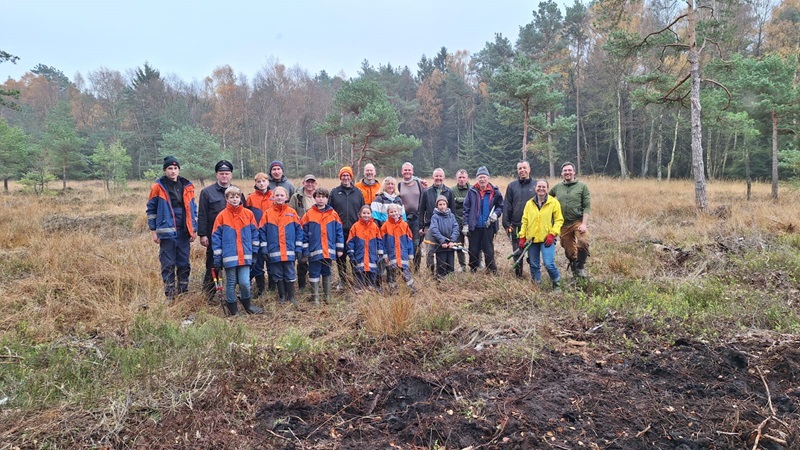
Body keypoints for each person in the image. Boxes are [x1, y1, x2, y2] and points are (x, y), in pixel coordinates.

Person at [146, 156, 197, 302]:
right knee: (168, 263)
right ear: (164, 170)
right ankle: (170, 294)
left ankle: (183, 291)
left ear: (179, 170)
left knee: (184, 262)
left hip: (184, 230)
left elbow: (193, 208)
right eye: (170, 168)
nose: (173, 171)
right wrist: (153, 231)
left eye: (175, 168)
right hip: (166, 230)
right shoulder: (158, 187)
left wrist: (193, 228)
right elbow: (151, 209)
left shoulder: (187, 186)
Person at [211, 186, 263, 315]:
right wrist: (217, 258)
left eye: (237, 197)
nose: (234, 199)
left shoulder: (248, 214)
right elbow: (216, 238)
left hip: (245, 255)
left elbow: (255, 234)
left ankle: (248, 305)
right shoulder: (221, 216)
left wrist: (254, 252)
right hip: (229, 257)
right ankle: (233, 310)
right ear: (226, 199)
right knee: (231, 283)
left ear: (240, 198)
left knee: (245, 282)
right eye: (231, 197)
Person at [259, 186, 304, 305]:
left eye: (281, 195)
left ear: (287, 197)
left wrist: (299, 248)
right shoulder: (267, 213)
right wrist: (264, 249)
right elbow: (262, 231)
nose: (279, 197)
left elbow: (299, 231)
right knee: (277, 273)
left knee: (290, 272)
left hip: (289, 251)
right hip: (274, 251)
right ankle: (282, 296)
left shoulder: (292, 213)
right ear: (272, 197)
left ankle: (291, 297)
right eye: (277, 195)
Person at [198, 160, 235, 302]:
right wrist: (202, 235)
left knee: (233, 266)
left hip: (232, 237)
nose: (224, 176)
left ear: (231, 175)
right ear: (217, 175)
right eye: (221, 174)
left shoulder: (236, 192)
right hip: (214, 237)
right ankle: (209, 295)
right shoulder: (207, 192)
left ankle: (232, 294)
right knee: (213, 266)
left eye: (227, 173)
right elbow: (202, 215)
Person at [301, 187, 344, 305]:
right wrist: (305, 250)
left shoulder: (333, 214)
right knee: (314, 272)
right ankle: (315, 297)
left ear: (327, 199)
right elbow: (303, 233)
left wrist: (339, 248)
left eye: (323, 197)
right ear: (314, 198)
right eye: (318, 197)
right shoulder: (308, 214)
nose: (321, 199)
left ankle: (328, 296)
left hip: (328, 251)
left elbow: (339, 232)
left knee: (327, 271)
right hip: (314, 251)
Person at [519, 179, 564, 290]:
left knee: (548, 263)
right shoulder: (529, 204)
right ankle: (536, 285)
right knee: (534, 264)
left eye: (544, 187)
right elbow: (525, 221)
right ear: (535, 188)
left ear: (547, 189)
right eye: (539, 186)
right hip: (532, 240)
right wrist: (522, 236)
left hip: (547, 239)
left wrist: (552, 234)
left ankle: (557, 284)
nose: (541, 189)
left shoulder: (553, 202)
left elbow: (559, 220)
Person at [549, 161, 591, 278]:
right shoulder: (557, 187)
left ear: (574, 172)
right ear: (562, 173)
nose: (567, 172)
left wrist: (584, 224)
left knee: (583, 241)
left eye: (569, 170)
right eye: (565, 171)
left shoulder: (582, 186)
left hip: (578, 222)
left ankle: (580, 266)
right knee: (568, 250)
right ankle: (574, 268)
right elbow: (547, 198)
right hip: (563, 224)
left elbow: (587, 206)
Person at [328, 166, 365, 289]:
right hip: (339, 232)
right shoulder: (334, 192)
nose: (345, 177)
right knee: (341, 258)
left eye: (347, 175)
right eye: (343, 175)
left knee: (356, 257)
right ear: (340, 177)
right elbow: (329, 211)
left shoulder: (358, 192)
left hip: (355, 231)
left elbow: (363, 210)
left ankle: (357, 281)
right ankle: (343, 280)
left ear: (351, 177)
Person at [462, 166, 504, 273]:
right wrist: (465, 224)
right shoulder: (471, 191)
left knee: (488, 249)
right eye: (480, 177)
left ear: (488, 178)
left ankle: (491, 270)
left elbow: (501, 206)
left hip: (488, 226)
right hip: (474, 226)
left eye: (484, 177)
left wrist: (496, 214)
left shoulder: (495, 191)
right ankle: (473, 269)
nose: (482, 179)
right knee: (473, 250)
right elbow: (466, 209)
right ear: (477, 179)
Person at [503, 161, 536, 278]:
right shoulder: (512, 186)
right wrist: (506, 224)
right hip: (516, 225)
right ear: (517, 171)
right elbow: (507, 205)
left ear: (529, 169)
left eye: (524, 168)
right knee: (517, 252)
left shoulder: (536, 185)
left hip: (533, 226)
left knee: (533, 253)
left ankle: (534, 277)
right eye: (520, 168)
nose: (522, 170)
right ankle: (518, 276)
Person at [418, 168, 455, 275]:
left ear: (443, 177)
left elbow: (452, 211)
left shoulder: (449, 192)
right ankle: (430, 272)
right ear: (433, 177)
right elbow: (421, 210)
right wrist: (421, 226)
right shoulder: (426, 192)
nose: (438, 178)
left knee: (444, 249)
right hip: (429, 226)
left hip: (445, 226)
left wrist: (452, 227)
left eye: (440, 176)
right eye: (436, 176)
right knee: (430, 251)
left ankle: (443, 271)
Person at [245, 172, 273, 297]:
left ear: (268, 182)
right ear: (255, 183)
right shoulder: (250, 198)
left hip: (271, 233)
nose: (262, 184)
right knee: (257, 262)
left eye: (264, 181)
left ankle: (273, 288)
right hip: (255, 234)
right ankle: (261, 289)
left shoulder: (274, 195)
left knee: (272, 260)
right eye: (259, 182)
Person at [290, 174, 317, 293]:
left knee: (316, 259)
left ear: (315, 184)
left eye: (312, 182)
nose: (310, 184)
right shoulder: (297, 197)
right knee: (302, 259)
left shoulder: (319, 195)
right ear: (303, 183)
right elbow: (290, 213)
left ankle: (314, 284)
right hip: (301, 231)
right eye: (308, 182)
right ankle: (301, 285)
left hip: (316, 232)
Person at [380, 203, 416, 294]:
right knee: (391, 274)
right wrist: (384, 255)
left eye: (395, 211)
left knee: (406, 273)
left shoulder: (404, 225)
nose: (394, 213)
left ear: (399, 212)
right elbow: (382, 242)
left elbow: (409, 240)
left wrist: (410, 254)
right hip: (391, 254)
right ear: (388, 213)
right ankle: (393, 291)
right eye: (391, 212)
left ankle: (412, 289)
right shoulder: (385, 226)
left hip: (403, 254)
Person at [347, 205, 384, 291]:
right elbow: (350, 242)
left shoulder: (374, 227)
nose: (366, 215)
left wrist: (380, 254)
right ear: (360, 214)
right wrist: (351, 255)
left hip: (372, 257)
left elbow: (379, 241)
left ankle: (371, 290)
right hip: (359, 256)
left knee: (372, 274)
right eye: (364, 213)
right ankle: (359, 291)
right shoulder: (355, 226)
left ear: (371, 215)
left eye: (368, 213)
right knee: (359, 274)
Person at [397, 162, 425, 271]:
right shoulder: (399, 185)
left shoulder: (419, 184)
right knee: (403, 242)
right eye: (405, 170)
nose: (407, 172)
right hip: (404, 218)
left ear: (412, 171)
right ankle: (403, 267)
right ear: (402, 172)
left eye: (409, 170)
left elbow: (424, 200)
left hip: (417, 217)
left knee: (416, 243)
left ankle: (416, 269)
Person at [429, 195, 460, 280]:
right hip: (440, 245)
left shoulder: (451, 216)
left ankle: (450, 281)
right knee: (441, 265)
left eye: (444, 204)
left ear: (447, 205)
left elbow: (456, 228)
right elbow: (434, 229)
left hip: (450, 245)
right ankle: (440, 281)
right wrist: (442, 241)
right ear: (437, 206)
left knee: (450, 265)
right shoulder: (435, 217)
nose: (442, 206)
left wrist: (452, 240)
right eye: (440, 204)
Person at [452, 169, 470, 271]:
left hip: (469, 222)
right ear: (456, 178)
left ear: (467, 178)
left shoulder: (472, 189)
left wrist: (458, 200)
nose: (462, 179)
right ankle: (462, 266)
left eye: (463, 177)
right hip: (457, 222)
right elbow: (452, 204)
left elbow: (472, 203)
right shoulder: (452, 190)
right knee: (459, 245)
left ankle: (475, 263)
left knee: (474, 244)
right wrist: (466, 201)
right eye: (460, 177)